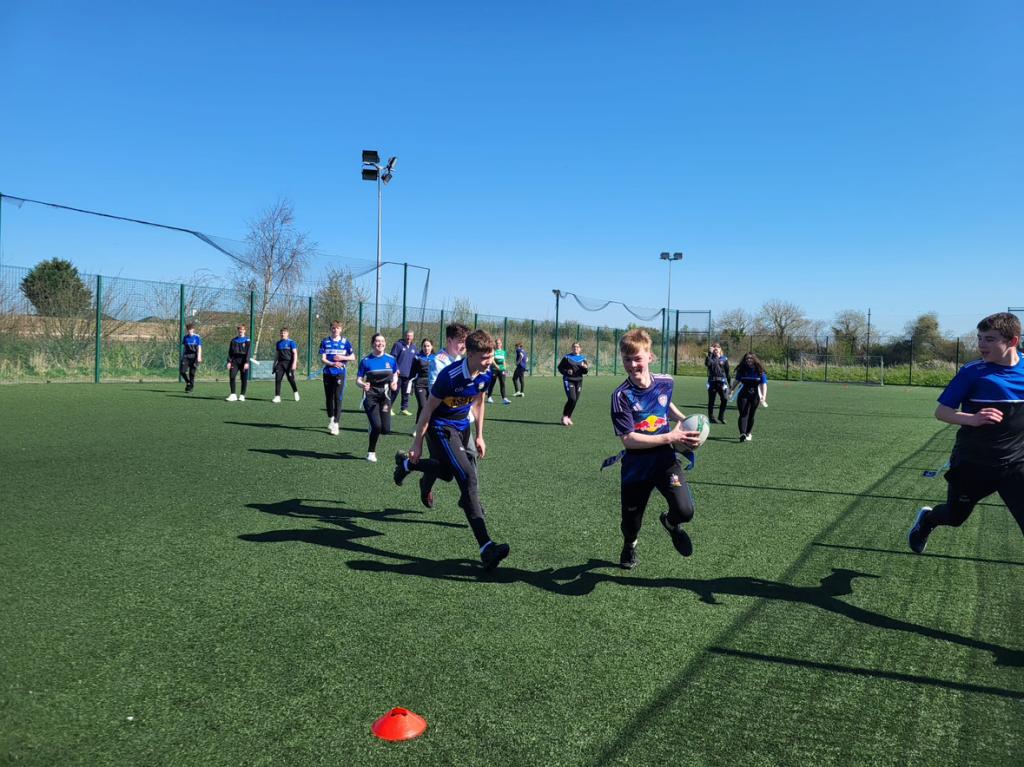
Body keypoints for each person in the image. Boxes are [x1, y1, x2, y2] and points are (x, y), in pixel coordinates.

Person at [393, 329, 510, 570]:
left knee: (446, 473)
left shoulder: (486, 374)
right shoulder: (450, 376)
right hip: (441, 428)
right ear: (470, 354)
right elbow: (427, 410)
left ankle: (406, 465)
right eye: (485, 358)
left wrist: (479, 435)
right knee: (467, 477)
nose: (490, 362)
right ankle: (486, 547)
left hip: (462, 428)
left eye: (491, 357)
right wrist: (416, 443)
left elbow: (478, 402)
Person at [909, 312, 1024, 553]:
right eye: (980, 338)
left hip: (1016, 464)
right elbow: (942, 412)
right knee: (954, 517)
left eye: (990, 339)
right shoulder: (972, 372)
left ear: (1013, 341)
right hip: (974, 462)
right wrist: (973, 418)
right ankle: (928, 520)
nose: (981, 344)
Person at [611, 329, 703, 569]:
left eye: (637, 358)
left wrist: (687, 423)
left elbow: (666, 406)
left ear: (650, 357)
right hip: (636, 466)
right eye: (626, 359)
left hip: (665, 462)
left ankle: (671, 523)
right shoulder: (621, 396)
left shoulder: (665, 382)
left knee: (685, 511)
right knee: (631, 523)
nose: (632, 365)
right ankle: (629, 545)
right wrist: (671, 436)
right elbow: (629, 439)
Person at [357, 333, 399, 463]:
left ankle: (374, 427)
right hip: (370, 396)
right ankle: (371, 452)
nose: (380, 343)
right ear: (372, 344)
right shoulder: (366, 361)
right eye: (377, 341)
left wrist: (394, 382)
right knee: (377, 426)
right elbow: (358, 380)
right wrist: (363, 384)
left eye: (382, 341)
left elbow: (395, 373)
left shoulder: (391, 359)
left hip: (385, 395)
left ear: (385, 344)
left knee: (385, 429)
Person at [319, 321, 355, 435]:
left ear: (341, 329)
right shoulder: (325, 341)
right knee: (329, 397)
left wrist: (342, 357)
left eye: (338, 328)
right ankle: (331, 418)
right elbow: (323, 359)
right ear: (331, 329)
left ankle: (336, 424)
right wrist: (332, 363)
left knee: (338, 397)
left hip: (340, 373)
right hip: (328, 372)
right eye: (333, 328)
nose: (335, 330)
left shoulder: (345, 342)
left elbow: (353, 357)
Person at [730, 352, 768, 442]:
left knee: (751, 415)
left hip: (755, 394)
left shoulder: (760, 370)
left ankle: (748, 433)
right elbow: (737, 381)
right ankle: (742, 433)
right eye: (747, 358)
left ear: (754, 359)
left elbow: (764, 384)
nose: (749, 360)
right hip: (743, 393)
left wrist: (764, 396)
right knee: (743, 413)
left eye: (751, 358)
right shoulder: (742, 369)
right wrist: (731, 390)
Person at [557, 342, 589, 426]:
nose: (576, 348)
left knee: (575, 401)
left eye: (577, 347)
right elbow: (560, 368)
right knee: (572, 399)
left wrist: (585, 368)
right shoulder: (567, 357)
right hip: (569, 380)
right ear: (572, 348)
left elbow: (585, 372)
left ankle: (568, 417)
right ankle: (564, 416)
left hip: (579, 381)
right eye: (574, 347)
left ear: (580, 349)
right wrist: (566, 371)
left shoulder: (583, 358)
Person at [390, 330, 418, 416]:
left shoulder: (414, 347)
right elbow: (392, 358)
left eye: (410, 336)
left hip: (409, 375)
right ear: (404, 335)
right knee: (394, 392)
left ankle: (404, 409)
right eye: (407, 335)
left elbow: (416, 359)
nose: (408, 337)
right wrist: (396, 369)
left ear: (413, 337)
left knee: (406, 393)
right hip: (397, 375)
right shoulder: (398, 345)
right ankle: (389, 407)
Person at [705, 342, 731, 424]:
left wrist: (730, 384)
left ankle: (721, 416)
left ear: (720, 349)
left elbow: (727, 372)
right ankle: (711, 417)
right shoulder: (710, 357)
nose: (716, 349)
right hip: (712, 382)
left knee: (724, 399)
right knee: (711, 400)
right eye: (714, 347)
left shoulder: (724, 359)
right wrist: (709, 354)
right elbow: (708, 364)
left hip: (722, 382)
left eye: (717, 347)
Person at [272, 327, 300, 403]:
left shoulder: (291, 342)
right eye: (281, 333)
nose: (282, 334)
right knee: (278, 379)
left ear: (287, 334)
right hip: (280, 363)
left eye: (284, 333)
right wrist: (274, 365)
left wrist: (294, 363)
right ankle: (277, 396)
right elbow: (276, 355)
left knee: (290, 379)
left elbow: (295, 353)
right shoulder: (278, 343)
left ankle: (296, 392)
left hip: (289, 363)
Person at [412, 338, 435, 422]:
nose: (426, 348)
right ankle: (417, 426)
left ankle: (428, 428)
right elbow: (412, 372)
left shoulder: (436, 358)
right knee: (422, 406)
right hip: (420, 384)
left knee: (431, 407)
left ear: (432, 347)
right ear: (422, 347)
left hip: (432, 384)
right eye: (424, 346)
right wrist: (410, 385)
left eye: (428, 346)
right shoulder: (417, 357)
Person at [226, 324, 251, 402]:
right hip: (235, 361)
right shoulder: (233, 340)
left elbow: (248, 352)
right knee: (232, 376)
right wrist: (229, 361)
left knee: (244, 379)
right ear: (238, 330)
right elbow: (230, 352)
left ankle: (242, 395)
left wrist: (246, 362)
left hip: (244, 361)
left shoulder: (247, 340)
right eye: (240, 329)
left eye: (242, 329)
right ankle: (233, 394)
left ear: (245, 330)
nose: (241, 331)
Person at [486, 337, 512, 405]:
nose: (498, 344)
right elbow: (492, 359)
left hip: (502, 370)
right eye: (497, 343)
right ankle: (489, 397)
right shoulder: (493, 351)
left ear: (501, 344)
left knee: (502, 383)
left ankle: (504, 399)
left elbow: (503, 360)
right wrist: (496, 366)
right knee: (492, 383)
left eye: (499, 343)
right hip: (494, 369)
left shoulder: (503, 352)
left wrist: (505, 368)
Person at [180, 322, 202, 393]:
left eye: (191, 329)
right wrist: (183, 357)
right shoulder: (185, 337)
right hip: (186, 356)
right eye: (188, 329)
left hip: (194, 357)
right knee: (182, 371)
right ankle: (188, 382)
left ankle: (190, 388)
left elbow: (199, 347)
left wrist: (199, 357)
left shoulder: (197, 337)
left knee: (192, 373)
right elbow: (184, 348)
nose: (189, 331)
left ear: (193, 329)